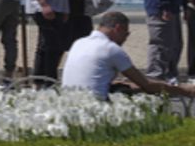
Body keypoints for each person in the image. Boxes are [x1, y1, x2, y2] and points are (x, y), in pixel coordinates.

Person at [63, 12, 195, 100]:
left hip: (70, 100)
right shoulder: (111, 49)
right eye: (126, 34)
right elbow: (147, 85)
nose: (125, 39)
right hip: (96, 105)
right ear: (118, 28)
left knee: (128, 86)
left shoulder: (79, 42)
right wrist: (184, 90)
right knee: (146, 94)